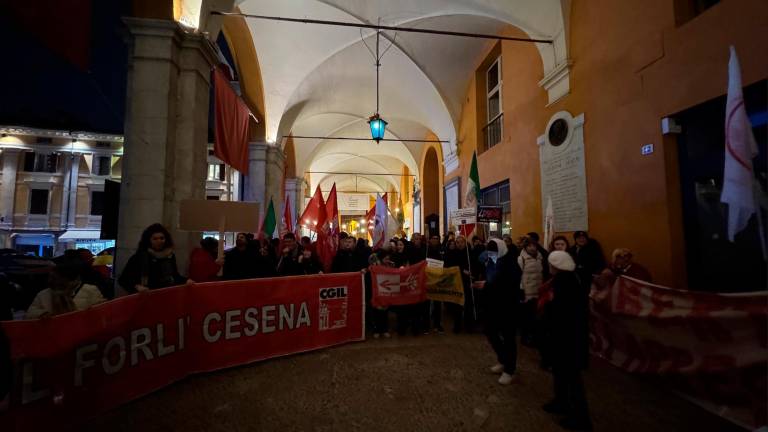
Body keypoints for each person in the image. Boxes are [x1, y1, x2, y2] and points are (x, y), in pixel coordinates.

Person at [542, 251, 592, 430]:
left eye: (551, 264)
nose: (549, 267)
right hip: (561, 336)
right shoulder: (564, 279)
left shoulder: (566, 282)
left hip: (568, 338)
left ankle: (580, 419)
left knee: (572, 379)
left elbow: (562, 311)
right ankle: (561, 402)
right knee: (560, 373)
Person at [480, 238, 522, 385]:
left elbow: (508, 285)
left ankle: (509, 370)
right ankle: (503, 360)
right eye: (489, 252)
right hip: (492, 305)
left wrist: (486, 285)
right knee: (490, 331)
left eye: (494, 252)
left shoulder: (511, 263)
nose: (491, 254)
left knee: (508, 337)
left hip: (508, 306)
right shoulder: (491, 262)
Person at [119, 223, 190, 293]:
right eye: (155, 239)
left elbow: (175, 276)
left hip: (165, 295)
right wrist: (137, 287)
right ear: (149, 240)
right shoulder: (139, 257)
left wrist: (186, 281)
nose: (159, 241)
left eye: (162, 238)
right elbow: (124, 279)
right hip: (146, 297)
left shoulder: (170, 256)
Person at [26, 258, 106, 319]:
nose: (50, 281)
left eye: (55, 278)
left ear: (68, 278)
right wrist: (42, 314)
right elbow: (29, 314)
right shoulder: (43, 294)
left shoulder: (90, 290)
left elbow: (101, 313)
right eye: (50, 277)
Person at [518, 237, 544, 347]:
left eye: (534, 246)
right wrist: (521, 290)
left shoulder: (540, 257)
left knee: (536, 316)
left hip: (538, 290)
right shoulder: (521, 258)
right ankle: (525, 338)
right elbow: (518, 275)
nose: (532, 248)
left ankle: (534, 337)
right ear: (525, 247)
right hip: (527, 291)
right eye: (529, 246)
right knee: (527, 316)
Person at [367, 249, 393, 339]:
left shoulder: (391, 265)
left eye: (388, 259)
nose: (387, 260)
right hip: (377, 292)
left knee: (385, 312)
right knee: (376, 312)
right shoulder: (375, 266)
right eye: (385, 259)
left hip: (386, 292)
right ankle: (377, 330)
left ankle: (385, 330)